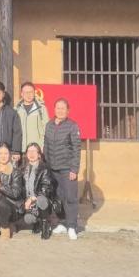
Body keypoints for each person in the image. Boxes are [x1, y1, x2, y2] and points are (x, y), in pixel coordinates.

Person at [44, 98, 81, 241]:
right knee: (58, 197)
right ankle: (61, 223)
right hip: (53, 168)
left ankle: (72, 226)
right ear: (54, 109)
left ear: (68, 110)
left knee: (70, 197)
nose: (60, 111)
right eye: (58, 108)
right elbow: (46, 146)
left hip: (67, 169)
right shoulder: (49, 125)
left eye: (63, 108)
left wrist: (74, 169)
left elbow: (76, 149)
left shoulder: (72, 126)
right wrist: (46, 166)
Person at [0, 143, 24, 239]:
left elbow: (16, 193)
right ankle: (8, 225)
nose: (3, 156)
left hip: (12, 207)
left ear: (10, 154)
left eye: (6, 153)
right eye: (0, 153)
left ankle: (5, 227)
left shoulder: (16, 172)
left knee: (3, 204)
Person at [21, 142, 54, 240]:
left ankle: (45, 224)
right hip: (28, 201)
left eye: (34, 151)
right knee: (28, 219)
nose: (31, 154)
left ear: (39, 154)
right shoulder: (22, 169)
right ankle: (37, 222)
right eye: (29, 151)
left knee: (41, 200)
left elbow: (45, 189)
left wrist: (32, 199)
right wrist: (25, 202)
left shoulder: (45, 168)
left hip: (41, 199)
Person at [15, 82, 49, 154]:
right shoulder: (16, 109)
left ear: (34, 93)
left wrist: (43, 147)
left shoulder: (41, 109)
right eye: (26, 92)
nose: (28, 95)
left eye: (31, 92)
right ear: (21, 94)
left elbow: (46, 129)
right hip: (21, 149)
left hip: (37, 149)